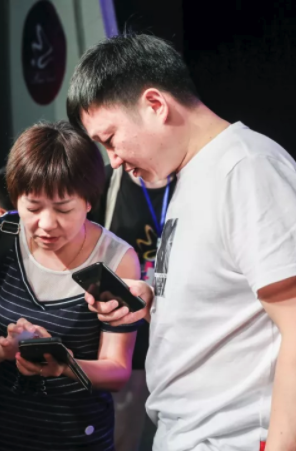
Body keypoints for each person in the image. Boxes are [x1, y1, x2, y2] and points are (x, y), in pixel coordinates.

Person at [67, 33, 296, 451]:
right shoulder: (192, 175)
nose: (113, 160)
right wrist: (152, 299)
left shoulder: (248, 170)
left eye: (110, 138)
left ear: (155, 104)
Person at [0, 121, 146, 451]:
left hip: (76, 438)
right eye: (32, 207)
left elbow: (117, 371)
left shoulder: (116, 259)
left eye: (63, 208)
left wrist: (66, 365)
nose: (46, 224)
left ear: (88, 201)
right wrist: (4, 348)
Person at [89, 167, 176, 450]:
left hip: (177, 318)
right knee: (123, 418)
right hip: (124, 317)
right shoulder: (109, 182)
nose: (114, 156)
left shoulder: (189, 181)